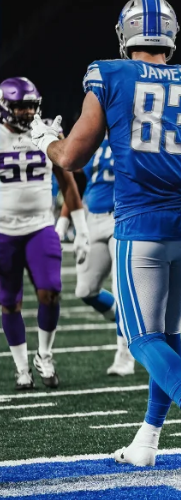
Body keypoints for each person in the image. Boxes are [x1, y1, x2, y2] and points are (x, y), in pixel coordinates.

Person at [31, 0, 181, 478]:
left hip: (139, 224)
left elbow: (72, 157)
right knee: (167, 334)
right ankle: (148, 439)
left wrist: (45, 140)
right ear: (170, 34)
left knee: (141, 335)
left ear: (126, 35)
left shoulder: (110, 74)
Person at [0, 77, 88, 390]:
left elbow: (67, 181)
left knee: (50, 291)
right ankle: (22, 368)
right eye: (19, 106)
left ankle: (44, 355)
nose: (25, 112)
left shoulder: (47, 131)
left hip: (40, 226)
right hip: (3, 231)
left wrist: (81, 228)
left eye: (30, 106)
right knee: (9, 302)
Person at [55, 136, 136, 376]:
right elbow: (74, 183)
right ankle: (127, 322)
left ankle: (125, 356)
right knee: (85, 290)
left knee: (122, 290)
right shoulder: (95, 140)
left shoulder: (135, 137)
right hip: (92, 217)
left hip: (122, 218)